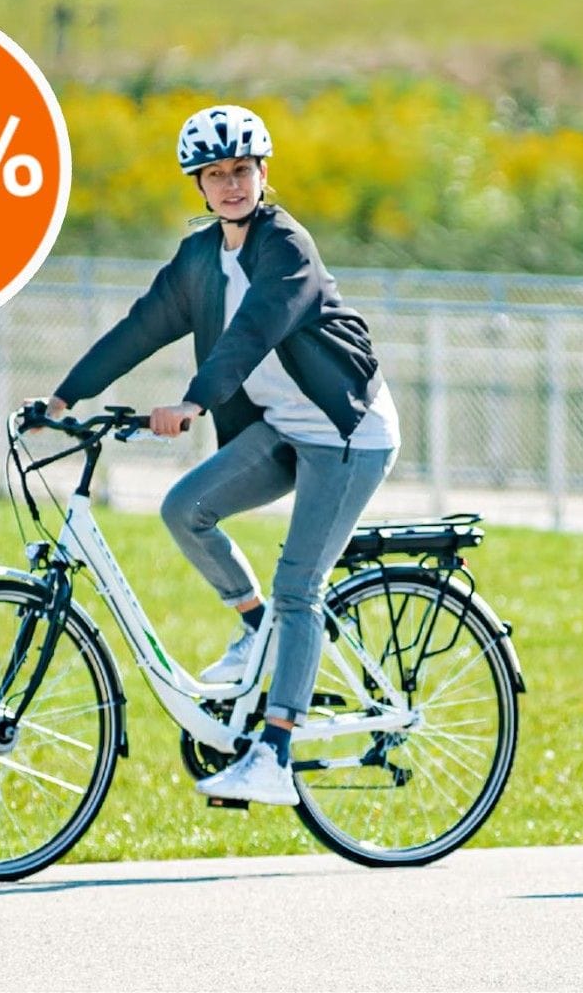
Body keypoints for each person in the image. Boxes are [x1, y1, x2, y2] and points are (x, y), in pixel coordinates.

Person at [43, 104, 401, 807]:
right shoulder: (200, 258)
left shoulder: (286, 247)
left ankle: (275, 752)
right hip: (284, 428)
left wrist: (197, 399)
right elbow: (140, 327)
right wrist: (62, 399)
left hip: (346, 432)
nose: (231, 184)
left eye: (242, 170)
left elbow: (257, 328)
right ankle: (252, 627)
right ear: (199, 187)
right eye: (215, 174)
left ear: (263, 173)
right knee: (186, 508)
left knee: (300, 586)